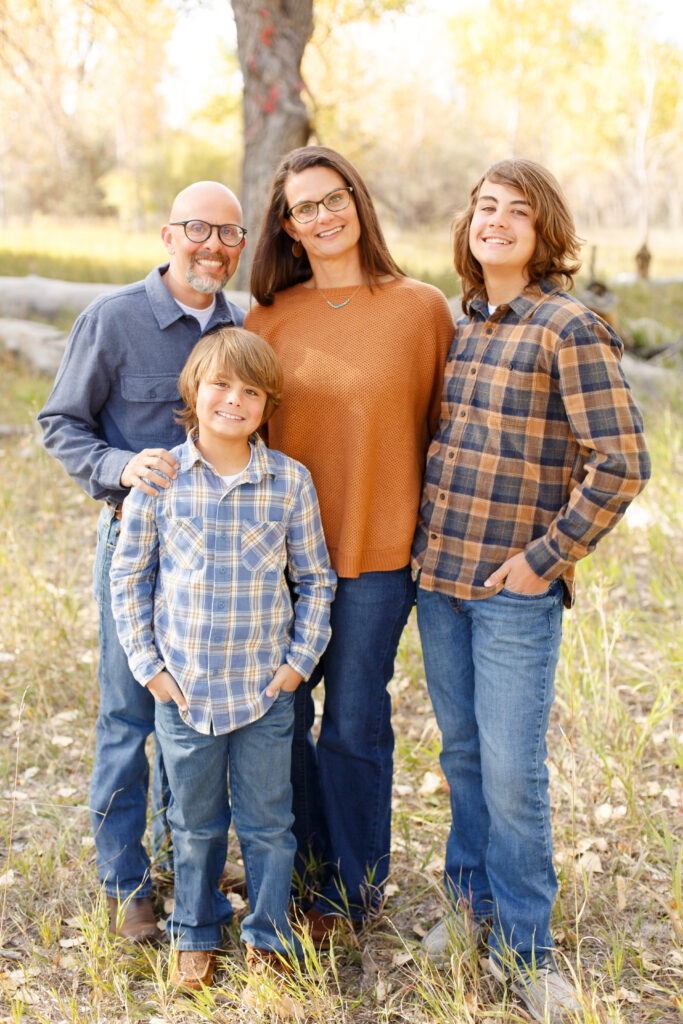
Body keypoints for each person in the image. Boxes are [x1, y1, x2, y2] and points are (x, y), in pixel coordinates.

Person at [413, 158, 651, 1022]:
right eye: (485, 207)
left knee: (513, 772)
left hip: (513, 590)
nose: (497, 221)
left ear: (545, 232)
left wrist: (544, 558)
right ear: (467, 224)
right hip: (438, 580)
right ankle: (466, 904)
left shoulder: (566, 328)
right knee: (463, 755)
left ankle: (527, 950)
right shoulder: (461, 324)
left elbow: (622, 463)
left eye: (517, 211)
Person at [245, 145, 454, 939]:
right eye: (305, 208)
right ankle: (296, 872)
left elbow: (446, 430)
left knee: (356, 722)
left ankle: (353, 889)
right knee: (282, 720)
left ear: (358, 203)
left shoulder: (420, 308)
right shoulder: (267, 317)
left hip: (375, 557)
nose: (323, 216)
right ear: (289, 228)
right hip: (281, 563)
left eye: (334, 199)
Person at [38, 182, 247, 942]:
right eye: (198, 229)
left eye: (229, 234)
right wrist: (120, 465)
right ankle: (126, 880)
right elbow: (59, 422)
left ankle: (186, 857)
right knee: (129, 714)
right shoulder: (115, 319)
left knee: (196, 711)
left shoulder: (244, 324)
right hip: (136, 548)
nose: (212, 246)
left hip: (220, 563)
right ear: (167, 235)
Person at [109, 326, 335, 1002]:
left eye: (250, 391)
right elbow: (130, 578)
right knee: (195, 823)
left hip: (266, 692)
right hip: (186, 693)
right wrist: (149, 667)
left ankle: (267, 934)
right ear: (192, 391)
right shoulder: (162, 478)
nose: (232, 400)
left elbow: (316, 580)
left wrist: (297, 665)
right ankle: (195, 933)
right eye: (220, 385)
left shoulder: (288, 482)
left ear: (267, 404)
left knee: (269, 823)